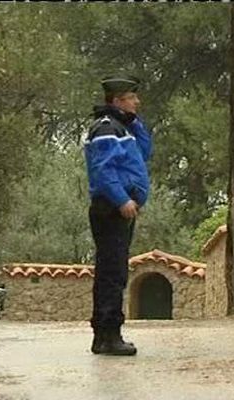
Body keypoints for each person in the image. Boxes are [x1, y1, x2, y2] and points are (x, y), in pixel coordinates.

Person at [83, 75, 153, 356]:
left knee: (115, 271)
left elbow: (146, 152)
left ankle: (106, 334)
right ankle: (108, 334)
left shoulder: (123, 128)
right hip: (111, 208)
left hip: (119, 209)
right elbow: (104, 170)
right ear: (117, 100)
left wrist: (135, 121)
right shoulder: (106, 128)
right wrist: (122, 199)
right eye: (132, 97)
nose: (138, 101)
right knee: (112, 273)